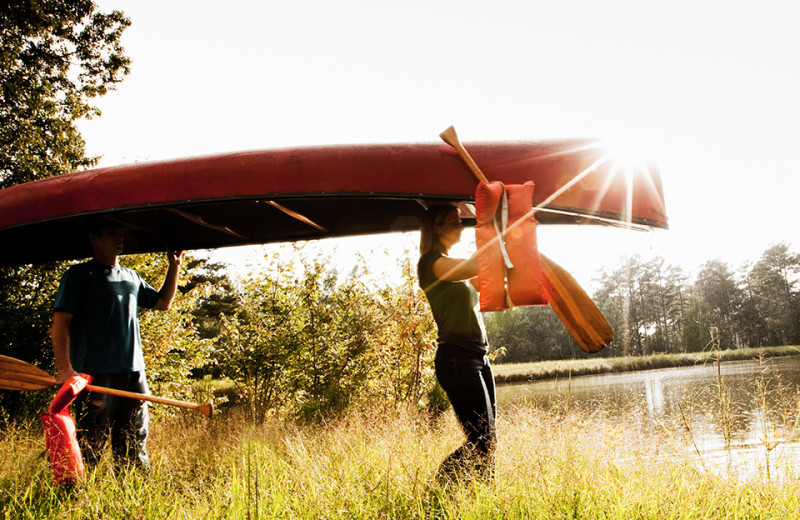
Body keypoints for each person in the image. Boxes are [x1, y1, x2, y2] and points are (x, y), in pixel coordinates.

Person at [51, 219, 183, 470]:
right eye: (113, 233)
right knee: (91, 443)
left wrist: (173, 267)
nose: (120, 238)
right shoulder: (78, 276)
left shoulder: (132, 277)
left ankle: (133, 497)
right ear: (94, 239)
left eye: (121, 233)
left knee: (134, 441)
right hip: (96, 374)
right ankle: (76, 496)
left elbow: (163, 303)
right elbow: (60, 323)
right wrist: (64, 369)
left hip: (134, 373)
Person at [417, 204, 496, 482]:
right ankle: (437, 488)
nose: (461, 226)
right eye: (455, 222)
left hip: (479, 357)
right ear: (436, 228)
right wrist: (493, 233)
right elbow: (476, 265)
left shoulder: (452, 266)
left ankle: (482, 499)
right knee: (481, 440)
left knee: (488, 441)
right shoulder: (431, 263)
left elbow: (490, 284)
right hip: (456, 359)